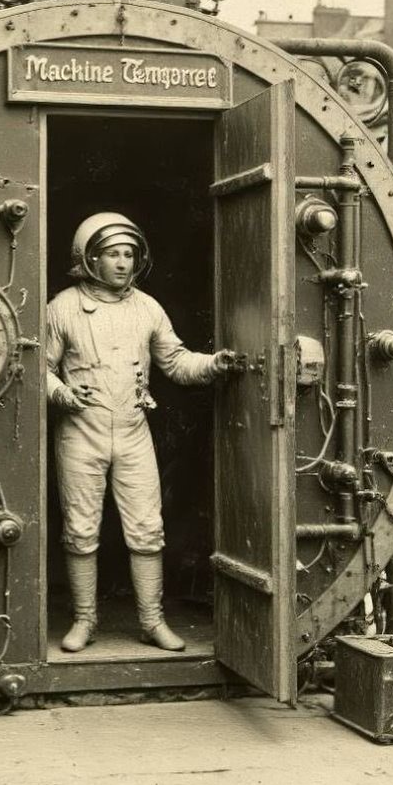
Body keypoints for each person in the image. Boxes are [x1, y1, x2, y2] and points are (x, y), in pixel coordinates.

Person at [46, 213, 235, 653]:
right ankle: (84, 621)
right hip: (81, 430)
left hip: (133, 430)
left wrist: (214, 364)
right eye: (113, 254)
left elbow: (175, 361)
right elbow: (41, 369)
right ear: (89, 258)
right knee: (80, 527)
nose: (122, 263)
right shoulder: (63, 307)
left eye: (129, 254)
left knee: (148, 527)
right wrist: (63, 395)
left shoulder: (147, 308)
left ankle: (152, 622)